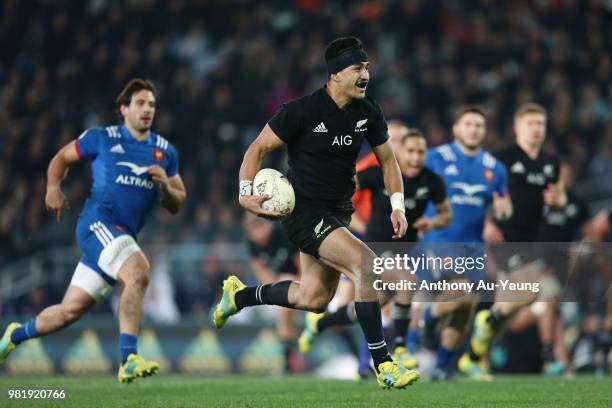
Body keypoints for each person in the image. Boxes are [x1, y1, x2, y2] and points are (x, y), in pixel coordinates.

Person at [213, 36, 419, 389]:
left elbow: (389, 161)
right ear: (335, 75)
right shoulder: (301, 111)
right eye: (357, 68)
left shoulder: (368, 112)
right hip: (303, 211)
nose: (365, 74)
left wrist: (397, 205)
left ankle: (240, 296)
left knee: (314, 299)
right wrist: (245, 194)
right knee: (366, 266)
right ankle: (384, 364)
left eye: (367, 68)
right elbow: (257, 149)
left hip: (338, 211)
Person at [0, 79, 187, 383]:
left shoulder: (165, 151)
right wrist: (52, 187)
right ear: (124, 109)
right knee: (138, 270)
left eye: (151, 104)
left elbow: (178, 203)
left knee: (68, 312)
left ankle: (14, 335)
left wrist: (166, 186)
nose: (147, 109)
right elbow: (62, 158)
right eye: (140, 103)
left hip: (121, 239)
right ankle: (128, 358)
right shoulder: (101, 138)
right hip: (97, 224)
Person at [297, 128, 452, 373]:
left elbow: (446, 215)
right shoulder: (380, 174)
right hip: (375, 249)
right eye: (410, 151)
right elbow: (349, 183)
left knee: (369, 306)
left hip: (403, 254)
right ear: (399, 152)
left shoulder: (432, 181)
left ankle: (319, 325)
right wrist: (347, 213)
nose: (415, 157)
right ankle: (401, 347)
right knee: (408, 283)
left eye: (420, 152)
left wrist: (432, 223)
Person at [459, 103, 567, 380]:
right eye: (530, 123)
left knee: (517, 301)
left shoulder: (550, 163)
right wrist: (486, 223)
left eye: (541, 124)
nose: (536, 129)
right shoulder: (503, 158)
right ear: (517, 128)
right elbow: (476, 191)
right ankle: (489, 328)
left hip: (532, 239)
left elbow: (559, 198)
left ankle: (475, 354)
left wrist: (559, 201)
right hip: (505, 237)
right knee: (535, 288)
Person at [418, 105, 512, 380]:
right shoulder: (436, 158)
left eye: (479, 125)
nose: (473, 129)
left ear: (485, 131)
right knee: (464, 291)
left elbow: (503, 204)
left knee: (468, 303)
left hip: (473, 247)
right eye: (468, 124)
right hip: (438, 241)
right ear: (456, 129)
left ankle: (442, 366)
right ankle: (430, 318)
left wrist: (502, 213)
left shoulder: (495, 168)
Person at [243, 213, 301, 373]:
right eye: (251, 230)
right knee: (283, 314)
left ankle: (289, 360)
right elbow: (262, 273)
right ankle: (289, 361)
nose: (256, 234)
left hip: (302, 277)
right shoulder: (252, 244)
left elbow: (303, 263)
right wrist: (276, 293)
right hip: (282, 282)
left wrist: (307, 290)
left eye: (258, 228)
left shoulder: (283, 234)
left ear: (267, 225)